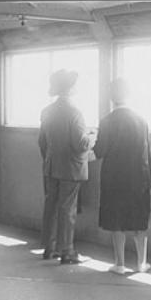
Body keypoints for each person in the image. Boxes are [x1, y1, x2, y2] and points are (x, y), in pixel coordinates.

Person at [93, 79, 151, 274]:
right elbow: (148, 152)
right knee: (140, 219)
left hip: (114, 177)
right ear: (129, 94)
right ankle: (141, 263)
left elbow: (99, 151)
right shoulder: (141, 120)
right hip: (138, 177)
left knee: (116, 219)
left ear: (111, 98)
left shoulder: (107, 121)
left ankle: (119, 263)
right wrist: (150, 177)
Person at [38, 68, 95, 265]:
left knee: (51, 206)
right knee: (67, 210)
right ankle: (67, 250)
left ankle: (49, 246)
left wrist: (49, 159)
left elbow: (42, 142)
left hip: (51, 166)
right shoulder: (74, 113)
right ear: (70, 89)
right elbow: (80, 144)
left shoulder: (47, 111)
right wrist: (91, 137)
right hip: (71, 168)